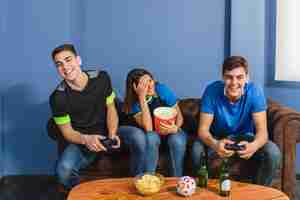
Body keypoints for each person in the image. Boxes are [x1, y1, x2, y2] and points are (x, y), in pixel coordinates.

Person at [49, 44, 146, 190]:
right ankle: (83, 195)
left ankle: (136, 185)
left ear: (78, 60)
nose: (65, 67)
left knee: (138, 136)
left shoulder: (101, 78)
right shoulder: (58, 98)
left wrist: (112, 133)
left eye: (68, 60)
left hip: (108, 131)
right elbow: (68, 133)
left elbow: (111, 108)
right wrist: (86, 139)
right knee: (63, 169)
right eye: (59, 64)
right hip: (83, 141)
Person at [192, 56, 281, 186]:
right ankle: (203, 190)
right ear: (223, 77)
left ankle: (259, 192)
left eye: (239, 77)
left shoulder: (255, 91)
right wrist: (215, 144)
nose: (234, 83)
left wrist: (254, 145)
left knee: (273, 152)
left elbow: (262, 132)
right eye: (229, 77)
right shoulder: (211, 91)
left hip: (246, 137)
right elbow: (203, 130)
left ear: (247, 77)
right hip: (218, 137)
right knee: (196, 149)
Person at [123, 68, 187, 177]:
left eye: (150, 80)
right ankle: (149, 179)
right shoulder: (134, 103)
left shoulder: (161, 90)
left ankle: (177, 178)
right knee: (151, 137)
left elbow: (179, 116)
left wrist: (176, 128)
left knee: (177, 139)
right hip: (153, 133)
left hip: (172, 130)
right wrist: (142, 98)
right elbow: (148, 128)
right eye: (144, 84)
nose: (150, 85)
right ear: (135, 88)